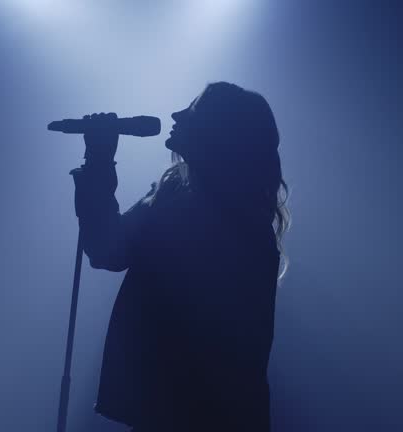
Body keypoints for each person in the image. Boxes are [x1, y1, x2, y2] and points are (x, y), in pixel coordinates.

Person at [69, 82, 290, 432]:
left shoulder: (238, 226)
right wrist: (98, 159)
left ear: (220, 132)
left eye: (193, 109)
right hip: (163, 412)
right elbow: (106, 248)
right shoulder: (172, 197)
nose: (176, 114)